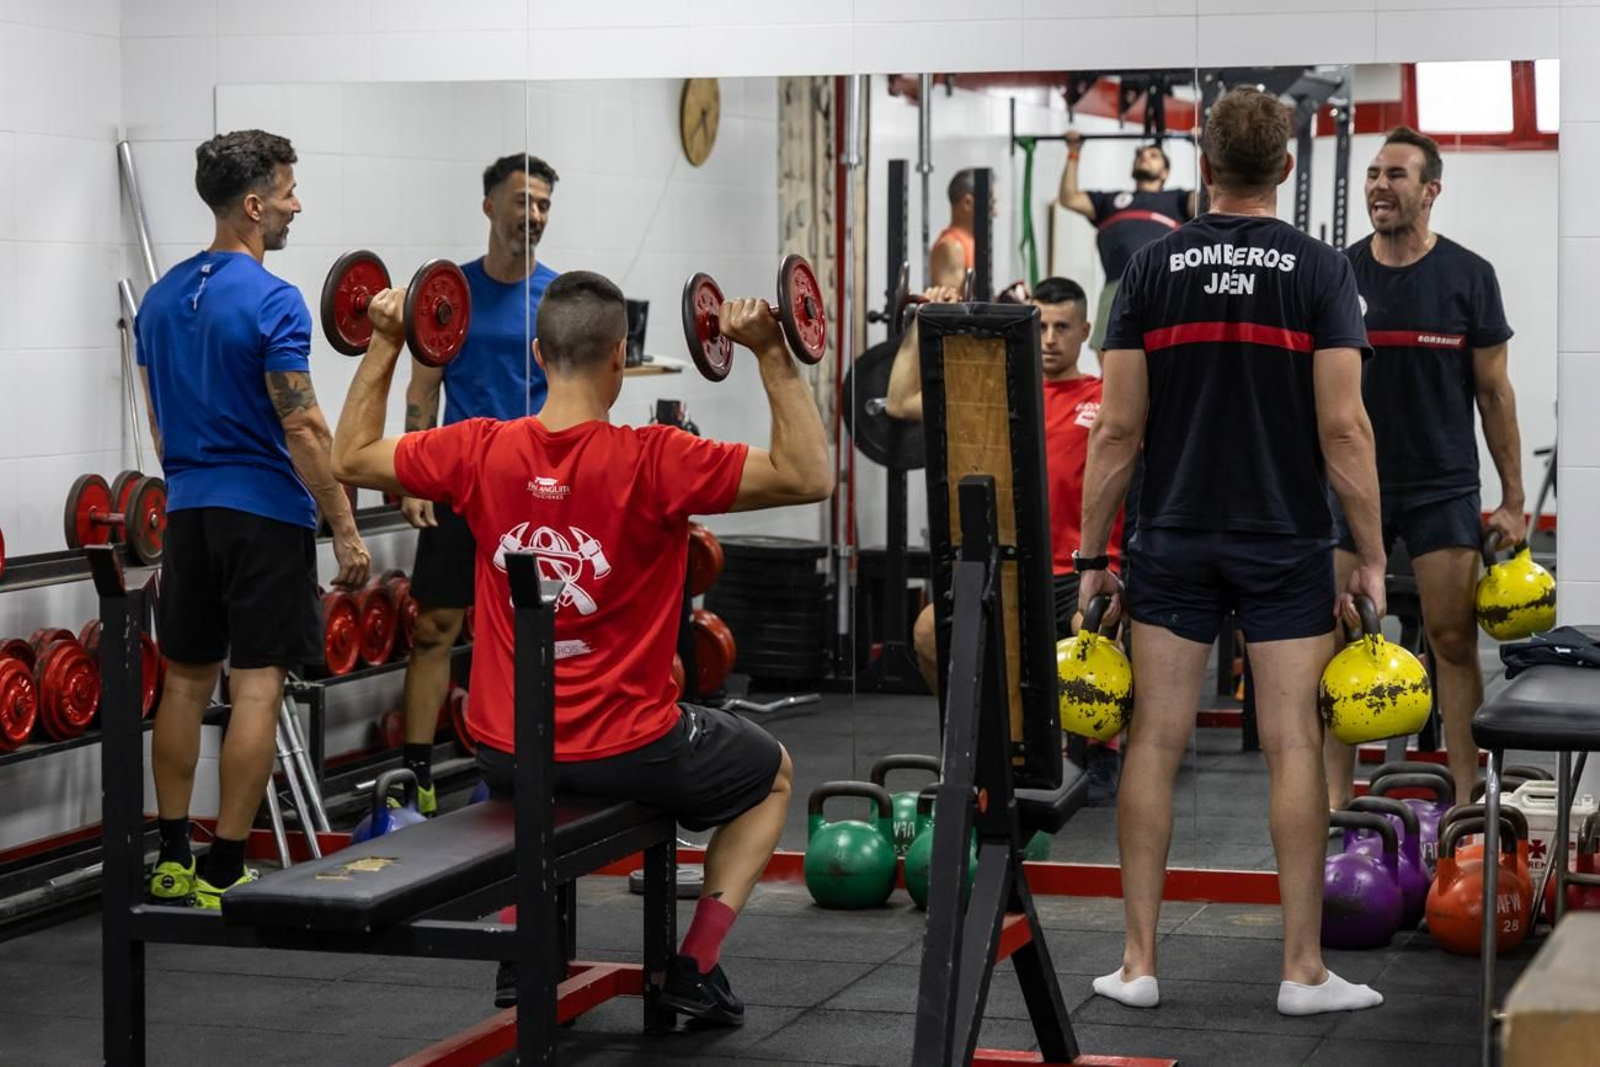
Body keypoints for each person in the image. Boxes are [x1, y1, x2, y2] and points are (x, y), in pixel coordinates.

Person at [330, 271, 832, 1024]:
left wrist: (388, 340)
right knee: (775, 777)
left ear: (537, 354)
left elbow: (351, 455)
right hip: (630, 747)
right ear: (619, 360)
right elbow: (811, 473)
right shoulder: (657, 457)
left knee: (510, 787)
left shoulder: (479, 449)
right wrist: (770, 353)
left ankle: (516, 949)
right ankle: (691, 965)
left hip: (505, 745)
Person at [1077, 87, 1386, 1016]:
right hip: (1285, 535)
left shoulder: (1151, 269)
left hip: (1170, 532)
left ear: (1203, 167)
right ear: (1287, 169)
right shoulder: (1322, 271)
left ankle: (1136, 965)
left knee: (1156, 741)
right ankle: (1302, 972)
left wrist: (1094, 556)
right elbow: (1344, 430)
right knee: (1294, 741)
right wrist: (1369, 554)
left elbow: (1118, 431)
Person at [139, 130, 371, 909]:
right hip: (264, 511)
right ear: (252, 204)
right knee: (257, 685)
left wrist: (191, 481)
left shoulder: (160, 297)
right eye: (287, 191)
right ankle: (224, 866)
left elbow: (161, 427)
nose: (294, 204)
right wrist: (342, 522)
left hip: (190, 510)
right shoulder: (275, 299)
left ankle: (173, 853)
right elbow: (302, 425)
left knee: (182, 683)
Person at [1323, 127, 1524, 809]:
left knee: (1451, 640)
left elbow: (1495, 393)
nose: (1380, 184)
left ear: (1431, 190)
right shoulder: (1339, 273)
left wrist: (1513, 499)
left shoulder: (1470, 276)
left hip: (1442, 484)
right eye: (1375, 173)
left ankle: (1468, 801)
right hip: (1353, 489)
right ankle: (1333, 805)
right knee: (1346, 643)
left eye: (1397, 175)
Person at [885, 277, 1127, 802]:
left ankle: (1099, 750)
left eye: (1063, 327)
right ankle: (979, 741)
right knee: (929, 632)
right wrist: (919, 324)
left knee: (1089, 643)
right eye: (1040, 325)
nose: (1049, 338)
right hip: (1011, 569)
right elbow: (901, 402)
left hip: (1082, 573)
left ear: (1085, 332)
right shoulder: (992, 393)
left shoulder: (1105, 399)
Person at [397, 153, 561, 815]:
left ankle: (535, 761)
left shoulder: (561, 296)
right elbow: (423, 389)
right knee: (435, 626)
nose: (535, 216)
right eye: (524, 201)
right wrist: (412, 472)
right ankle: (417, 776)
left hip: (535, 488)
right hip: (462, 483)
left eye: (545, 205)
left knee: (532, 631)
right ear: (490, 205)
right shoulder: (449, 295)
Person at [1057, 133, 1198, 353]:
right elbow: (1069, 198)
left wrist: (1205, 148)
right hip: (1117, 286)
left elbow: (1211, 198)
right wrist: (1074, 151)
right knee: (1110, 353)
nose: (1144, 157)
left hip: (1163, 287)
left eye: (1153, 155)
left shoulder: (1178, 199)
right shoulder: (1110, 201)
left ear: (1165, 172)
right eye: (1140, 154)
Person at [928, 168, 995, 291]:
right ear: (967, 203)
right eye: (991, 205)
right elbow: (949, 306)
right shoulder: (952, 248)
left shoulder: (972, 244)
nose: (995, 213)